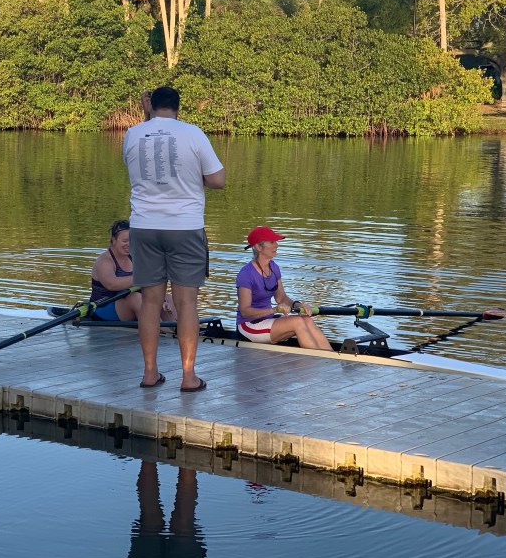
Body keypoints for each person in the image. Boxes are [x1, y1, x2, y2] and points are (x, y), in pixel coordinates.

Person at [123, 86, 226, 392]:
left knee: (150, 302)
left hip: (143, 226)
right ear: (178, 107)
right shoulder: (193, 134)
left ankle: (149, 373)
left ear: (151, 106)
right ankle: (188, 376)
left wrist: (146, 117)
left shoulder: (132, 134)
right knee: (186, 303)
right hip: (184, 227)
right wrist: (196, 178)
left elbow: (137, 159)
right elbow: (218, 180)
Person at [236, 226, 332, 351]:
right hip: (248, 325)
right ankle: (317, 359)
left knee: (306, 319)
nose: (276, 245)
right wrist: (273, 310)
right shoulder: (246, 274)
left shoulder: (274, 267)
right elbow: (245, 311)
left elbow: (281, 298)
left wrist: (299, 305)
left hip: (267, 320)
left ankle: (330, 356)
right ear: (259, 247)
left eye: (276, 242)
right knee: (297, 323)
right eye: (272, 242)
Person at [90, 219, 176, 323]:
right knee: (135, 298)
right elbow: (111, 284)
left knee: (168, 298)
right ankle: (161, 329)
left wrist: (162, 299)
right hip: (102, 308)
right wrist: (142, 278)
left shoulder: (134, 257)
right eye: (125, 241)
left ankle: (176, 327)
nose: (129, 244)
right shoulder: (104, 261)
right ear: (114, 240)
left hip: (129, 303)